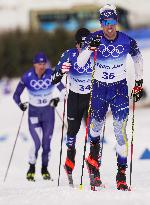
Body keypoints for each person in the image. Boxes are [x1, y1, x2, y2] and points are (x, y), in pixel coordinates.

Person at [77, 4, 144, 191]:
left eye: (112, 22)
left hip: (119, 90)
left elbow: (138, 59)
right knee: (95, 128)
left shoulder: (126, 41)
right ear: (101, 23)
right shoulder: (93, 38)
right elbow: (81, 62)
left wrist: (138, 83)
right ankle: (93, 165)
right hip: (99, 89)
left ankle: (121, 176)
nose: (109, 26)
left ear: (116, 22)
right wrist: (90, 48)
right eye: (106, 23)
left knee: (120, 133)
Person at [13, 52, 65, 181]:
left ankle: (44, 169)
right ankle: (31, 168)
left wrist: (57, 99)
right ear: (34, 64)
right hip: (34, 114)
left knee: (46, 145)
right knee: (36, 143)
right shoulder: (27, 77)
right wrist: (20, 104)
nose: (41, 66)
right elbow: (16, 95)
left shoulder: (51, 74)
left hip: (48, 114)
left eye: (43, 64)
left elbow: (64, 90)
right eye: (39, 64)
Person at [52, 28, 91, 186]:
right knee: (72, 133)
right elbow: (53, 79)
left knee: (94, 132)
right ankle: (69, 163)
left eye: (87, 44)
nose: (84, 47)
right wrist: (61, 71)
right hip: (74, 98)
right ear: (76, 44)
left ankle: (94, 166)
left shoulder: (95, 53)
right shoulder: (68, 54)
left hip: (90, 97)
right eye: (82, 44)